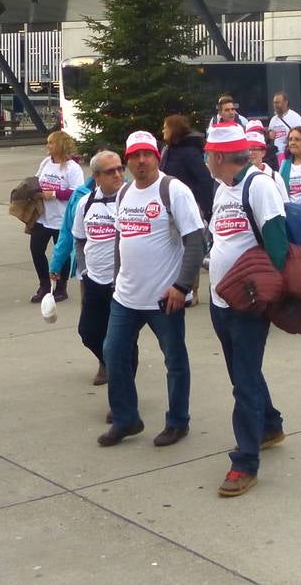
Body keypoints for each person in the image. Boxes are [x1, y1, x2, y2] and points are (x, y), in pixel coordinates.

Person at [98, 132, 207, 447]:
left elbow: (195, 240)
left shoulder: (173, 190)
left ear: (156, 157)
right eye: (134, 155)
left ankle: (178, 422)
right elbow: (121, 240)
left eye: (147, 154)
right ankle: (126, 418)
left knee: (174, 359)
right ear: (127, 159)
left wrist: (181, 286)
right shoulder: (124, 194)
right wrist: (117, 280)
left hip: (164, 298)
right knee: (113, 353)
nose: (141, 161)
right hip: (126, 297)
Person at [204, 121, 289, 497]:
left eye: (208, 155)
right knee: (244, 375)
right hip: (221, 301)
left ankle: (245, 462)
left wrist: (264, 297)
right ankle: (270, 425)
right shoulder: (222, 188)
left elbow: (277, 247)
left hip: (248, 304)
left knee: (244, 379)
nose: (206, 160)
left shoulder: (261, 186)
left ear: (220, 156)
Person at [69, 152, 122, 387]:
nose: (119, 174)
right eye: (111, 171)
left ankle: (122, 395)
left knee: (122, 338)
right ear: (97, 177)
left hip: (123, 283)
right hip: (94, 280)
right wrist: (83, 272)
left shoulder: (129, 200)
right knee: (88, 331)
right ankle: (106, 360)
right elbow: (79, 240)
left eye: (120, 169)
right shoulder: (85, 203)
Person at [32, 131, 83, 303]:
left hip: (61, 218)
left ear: (60, 145)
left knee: (62, 253)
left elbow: (78, 192)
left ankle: (61, 287)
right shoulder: (46, 162)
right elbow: (36, 180)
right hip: (43, 217)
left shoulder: (72, 168)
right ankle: (44, 285)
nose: (48, 146)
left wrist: (54, 193)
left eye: (51, 143)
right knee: (36, 249)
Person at [161, 114, 216, 223]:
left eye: (165, 127)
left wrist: (205, 208)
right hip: (168, 207)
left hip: (188, 208)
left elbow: (205, 180)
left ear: (173, 129)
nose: (163, 131)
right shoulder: (167, 151)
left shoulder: (189, 152)